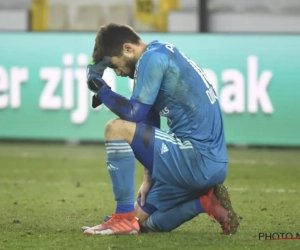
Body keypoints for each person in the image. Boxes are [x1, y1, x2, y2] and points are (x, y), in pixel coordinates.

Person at [83, 23, 239, 235]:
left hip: (196, 156)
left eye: (114, 65)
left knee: (116, 129)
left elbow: (133, 115)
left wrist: (101, 91)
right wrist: (149, 177)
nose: (118, 72)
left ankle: (122, 217)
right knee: (141, 221)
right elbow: (147, 121)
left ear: (128, 48)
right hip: (207, 162)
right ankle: (205, 202)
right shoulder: (159, 53)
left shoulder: (151, 59)